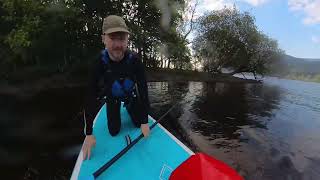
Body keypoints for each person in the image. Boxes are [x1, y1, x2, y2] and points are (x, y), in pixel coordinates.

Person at [82, 15, 150, 160]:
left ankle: (130, 106)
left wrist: (145, 121)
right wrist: (88, 133)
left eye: (122, 38)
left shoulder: (135, 61)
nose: (118, 44)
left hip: (130, 96)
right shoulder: (98, 63)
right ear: (103, 39)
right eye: (113, 38)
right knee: (113, 131)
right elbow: (90, 96)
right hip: (112, 98)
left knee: (139, 124)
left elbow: (144, 90)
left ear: (127, 40)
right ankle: (116, 107)